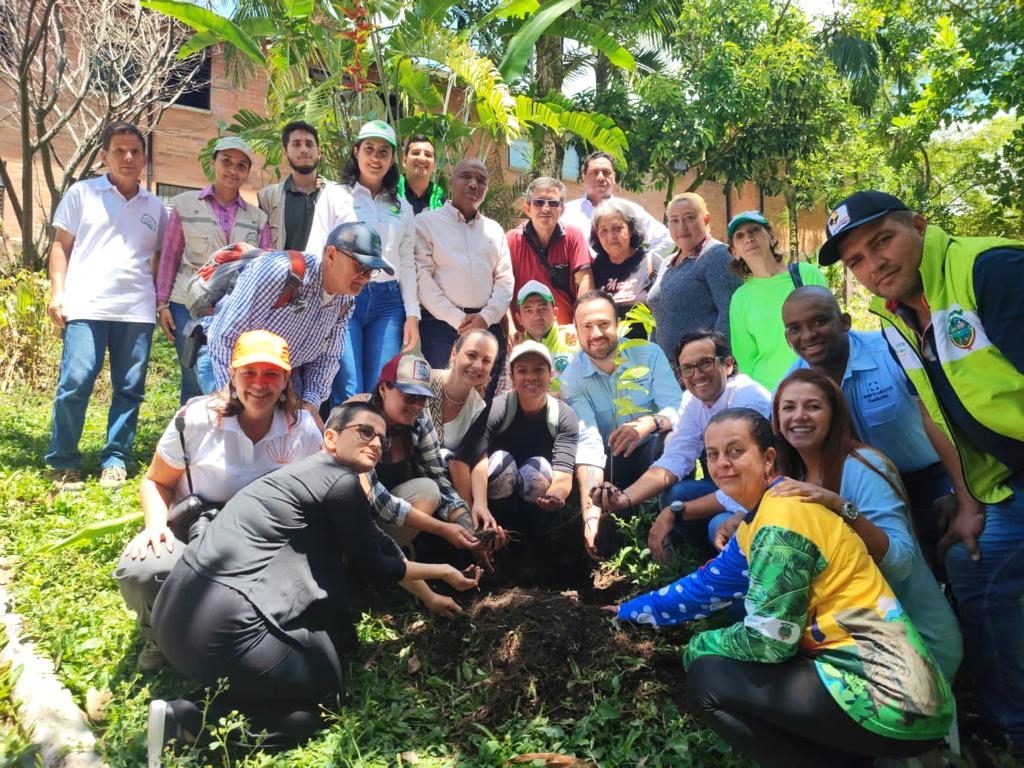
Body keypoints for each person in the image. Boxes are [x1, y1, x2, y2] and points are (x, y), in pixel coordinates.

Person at [608, 408, 954, 768]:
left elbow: (770, 642)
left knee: (708, 677)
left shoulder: (780, 524)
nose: (722, 463)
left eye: (735, 450)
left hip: (888, 698)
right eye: (712, 454)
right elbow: (706, 586)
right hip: (900, 691)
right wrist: (630, 611)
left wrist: (699, 645)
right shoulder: (766, 514)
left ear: (768, 458)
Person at [147, 401, 482, 761]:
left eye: (382, 439)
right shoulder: (339, 481)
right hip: (223, 631)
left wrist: (430, 598)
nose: (375, 443)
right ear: (331, 437)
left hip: (172, 617)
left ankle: (200, 705)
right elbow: (378, 565)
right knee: (326, 699)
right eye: (365, 432)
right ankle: (189, 721)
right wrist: (444, 570)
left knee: (332, 644)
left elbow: (378, 544)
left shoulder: (305, 475)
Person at [818, 190, 1024, 754]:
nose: (872, 264)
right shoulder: (899, 318)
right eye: (856, 260)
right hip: (1003, 479)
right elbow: (937, 416)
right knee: (970, 564)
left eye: (881, 241)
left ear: (919, 224)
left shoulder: (991, 271)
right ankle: (1010, 723)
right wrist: (968, 502)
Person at [115, 330, 322, 672]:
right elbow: (155, 481)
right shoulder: (196, 419)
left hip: (261, 539)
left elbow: (313, 493)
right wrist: (155, 526)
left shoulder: (301, 428)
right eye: (249, 372)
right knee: (143, 569)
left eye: (271, 373)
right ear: (232, 374)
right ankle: (159, 637)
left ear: (286, 379)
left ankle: (243, 634)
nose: (260, 383)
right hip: (197, 530)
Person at [768, 369, 962, 680]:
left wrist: (840, 506)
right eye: (789, 407)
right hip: (851, 634)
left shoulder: (863, 467)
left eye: (813, 406)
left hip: (915, 643)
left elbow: (900, 564)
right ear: (776, 419)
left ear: (835, 415)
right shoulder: (796, 476)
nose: (799, 416)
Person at [782, 285, 952, 568]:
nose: (808, 335)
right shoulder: (793, 386)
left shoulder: (892, 353)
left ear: (845, 322)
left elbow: (946, 415)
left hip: (930, 477)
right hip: (858, 489)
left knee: (954, 557)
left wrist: (953, 489)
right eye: (795, 328)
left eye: (819, 321)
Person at [46, 121, 168, 492]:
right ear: (104, 155)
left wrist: (160, 302)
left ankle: (116, 457)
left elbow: (160, 261)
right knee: (76, 382)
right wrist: (57, 292)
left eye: (135, 151)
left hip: (136, 310)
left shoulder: (157, 208)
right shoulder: (82, 194)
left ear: (145, 157)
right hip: (87, 305)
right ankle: (64, 459)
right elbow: (60, 246)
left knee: (129, 388)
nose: (128, 157)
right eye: (119, 150)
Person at [594, 331, 770, 559]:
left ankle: (722, 570)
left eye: (705, 363)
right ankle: (700, 559)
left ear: (728, 365)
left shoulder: (748, 398)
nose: (697, 375)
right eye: (687, 368)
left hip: (763, 493)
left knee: (715, 522)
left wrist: (677, 512)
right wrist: (624, 499)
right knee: (677, 494)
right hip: (729, 488)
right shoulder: (693, 400)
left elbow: (749, 483)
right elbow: (674, 461)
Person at [199, 221, 387, 426]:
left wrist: (310, 404)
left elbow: (327, 358)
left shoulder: (345, 301)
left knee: (284, 441)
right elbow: (224, 336)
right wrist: (231, 394)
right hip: (225, 362)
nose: (365, 278)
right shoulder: (279, 271)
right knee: (226, 434)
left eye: (371, 271)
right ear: (332, 254)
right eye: (360, 267)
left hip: (281, 373)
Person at [560, 291, 682, 559]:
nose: (596, 334)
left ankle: (671, 531)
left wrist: (648, 423)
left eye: (604, 324)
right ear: (576, 331)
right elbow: (589, 443)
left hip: (652, 454)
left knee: (672, 439)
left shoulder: (648, 354)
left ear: (618, 323)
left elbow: (677, 409)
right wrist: (591, 516)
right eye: (587, 327)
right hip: (609, 465)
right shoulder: (572, 377)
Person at [305, 120, 419, 405]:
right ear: (356, 151)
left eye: (384, 152)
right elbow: (316, 248)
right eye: (369, 149)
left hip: (388, 304)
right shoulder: (334, 195)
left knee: (382, 387)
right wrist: (319, 300)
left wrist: (412, 317)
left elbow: (406, 263)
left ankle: (375, 448)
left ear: (393, 159)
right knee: (349, 386)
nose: (376, 158)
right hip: (344, 298)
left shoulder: (402, 207)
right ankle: (343, 447)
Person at [156, 136, 272, 405]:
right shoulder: (185, 205)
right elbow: (170, 257)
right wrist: (162, 304)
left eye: (242, 165)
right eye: (227, 162)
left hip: (235, 308)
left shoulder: (257, 218)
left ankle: (224, 426)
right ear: (213, 163)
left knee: (228, 371)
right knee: (193, 373)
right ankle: (190, 439)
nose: (233, 170)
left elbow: (265, 268)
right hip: (187, 304)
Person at [450, 341, 579, 578]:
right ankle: (498, 544)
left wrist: (555, 496)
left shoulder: (564, 416)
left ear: (550, 374)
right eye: (522, 371)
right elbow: (461, 461)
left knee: (536, 471)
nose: (531, 377)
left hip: (536, 490)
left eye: (538, 369)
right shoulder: (499, 408)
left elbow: (563, 473)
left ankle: (532, 549)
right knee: (501, 462)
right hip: (497, 490)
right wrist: (471, 514)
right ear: (512, 376)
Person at [357, 353, 493, 552]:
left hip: (382, 522)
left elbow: (438, 479)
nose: (417, 406)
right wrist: (444, 529)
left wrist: (471, 530)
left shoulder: (419, 420)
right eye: (410, 397)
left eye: (423, 399)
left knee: (429, 489)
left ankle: (389, 559)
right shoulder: (357, 420)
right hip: (350, 522)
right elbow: (376, 499)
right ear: (384, 389)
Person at [415, 158, 514, 398]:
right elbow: (422, 279)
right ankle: (441, 438)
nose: (473, 184)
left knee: (482, 400)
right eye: (466, 177)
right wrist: (459, 320)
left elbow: (505, 280)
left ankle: (478, 438)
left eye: (481, 180)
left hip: (487, 327)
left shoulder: (494, 230)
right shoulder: (427, 223)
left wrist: (484, 318)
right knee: (441, 397)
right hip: (440, 328)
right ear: (451, 182)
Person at [726, 210, 828, 390]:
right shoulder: (740, 298)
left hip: (817, 383)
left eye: (754, 230)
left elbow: (832, 329)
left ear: (771, 237)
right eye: (740, 236)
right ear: (735, 252)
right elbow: (746, 359)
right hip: (771, 395)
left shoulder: (805, 274)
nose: (748, 238)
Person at [646, 192, 740, 362]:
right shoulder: (667, 263)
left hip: (701, 371)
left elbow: (729, 314)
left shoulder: (716, 255)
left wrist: (715, 361)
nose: (682, 227)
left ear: (706, 219)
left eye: (689, 218)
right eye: (674, 220)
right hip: (667, 372)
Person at [507, 177, 593, 327]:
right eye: (539, 202)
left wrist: (579, 325)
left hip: (564, 334)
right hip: (523, 335)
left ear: (562, 209)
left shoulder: (573, 235)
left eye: (553, 203)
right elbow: (501, 288)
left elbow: (585, 280)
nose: (546, 208)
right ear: (527, 208)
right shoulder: (513, 240)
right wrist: (511, 329)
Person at [560, 151, 672, 257]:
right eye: (594, 172)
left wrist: (645, 262)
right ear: (583, 177)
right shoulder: (566, 212)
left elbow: (667, 239)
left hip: (622, 276)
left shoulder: (631, 211)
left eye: (606, 172)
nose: (600, 177)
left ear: (614, 177)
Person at [588, 198, 662, 338]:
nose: (611, 236)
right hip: (604, 353)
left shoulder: (651, 263)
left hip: (642, 352)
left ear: (631, 229)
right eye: (603, 231)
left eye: (617, 228)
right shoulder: (594, 268)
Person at [258, 120, 328, 251]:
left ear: (319, 151)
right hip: (284, 271)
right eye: (296, 144)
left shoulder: (337, 195)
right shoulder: (267, 198)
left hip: (325, 271)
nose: (304, 149)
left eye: (309, 144)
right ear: (285, 152)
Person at [427, 329, 499, 453]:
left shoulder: (478, 409)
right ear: (454, 354)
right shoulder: (424, 384)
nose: (477, 366)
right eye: (471, 355)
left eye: (486, 361)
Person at [512, 280, 578, 385]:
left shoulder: (575, 338)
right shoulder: (514, 348)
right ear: (519, 318)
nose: (537, 317)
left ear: (555, 313)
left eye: (542, 309)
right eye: (528, 311)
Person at [398, 134, 445, 215]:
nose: (422, 158)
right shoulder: (388, 193)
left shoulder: (442, 203)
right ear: (404, 161)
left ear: (434, 166)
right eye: (416, 153)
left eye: (428, 155)